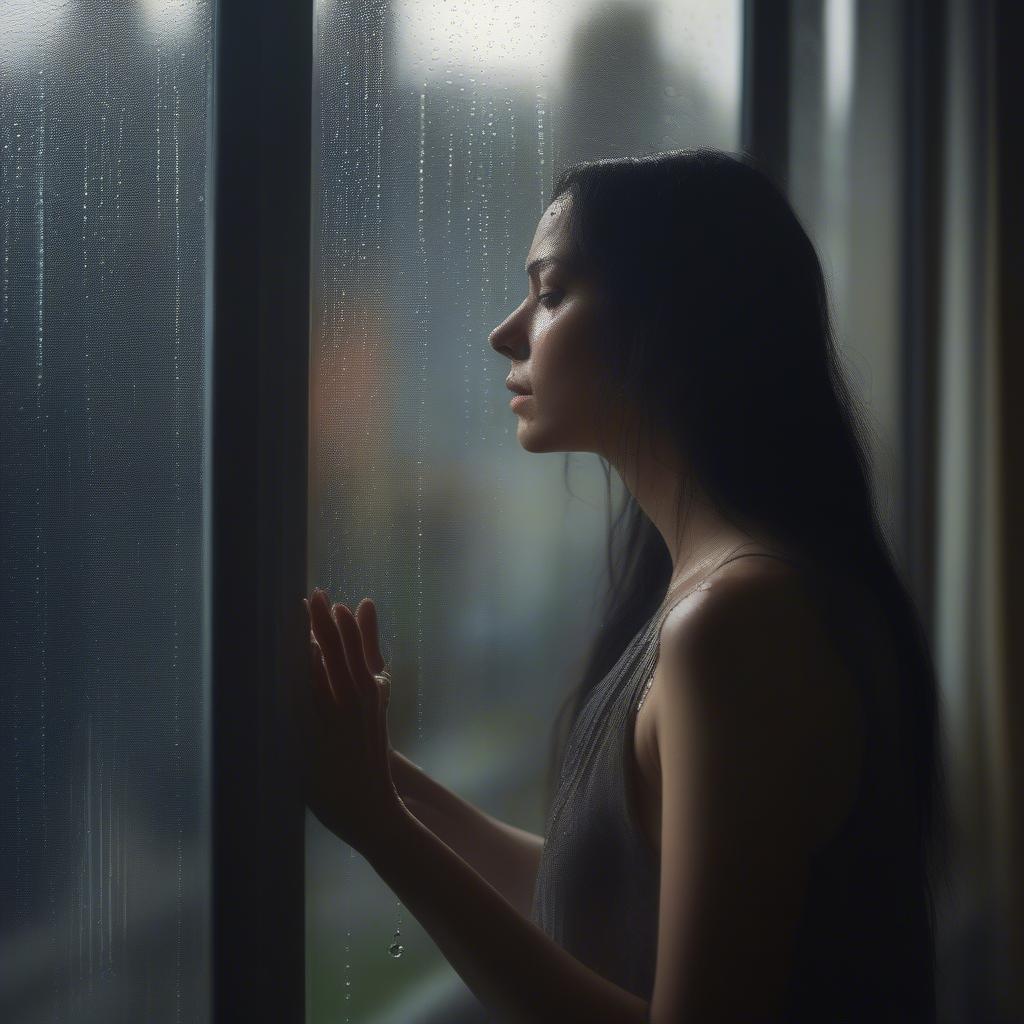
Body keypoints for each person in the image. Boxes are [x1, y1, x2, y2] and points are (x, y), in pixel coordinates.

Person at [301, 148, 949, 1023]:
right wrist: (383, 780)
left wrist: (380, 827)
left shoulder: (739, 622)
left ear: (671, 320)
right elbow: (599, 891)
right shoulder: (726, 592)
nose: (508, 330)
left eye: (552, 291)